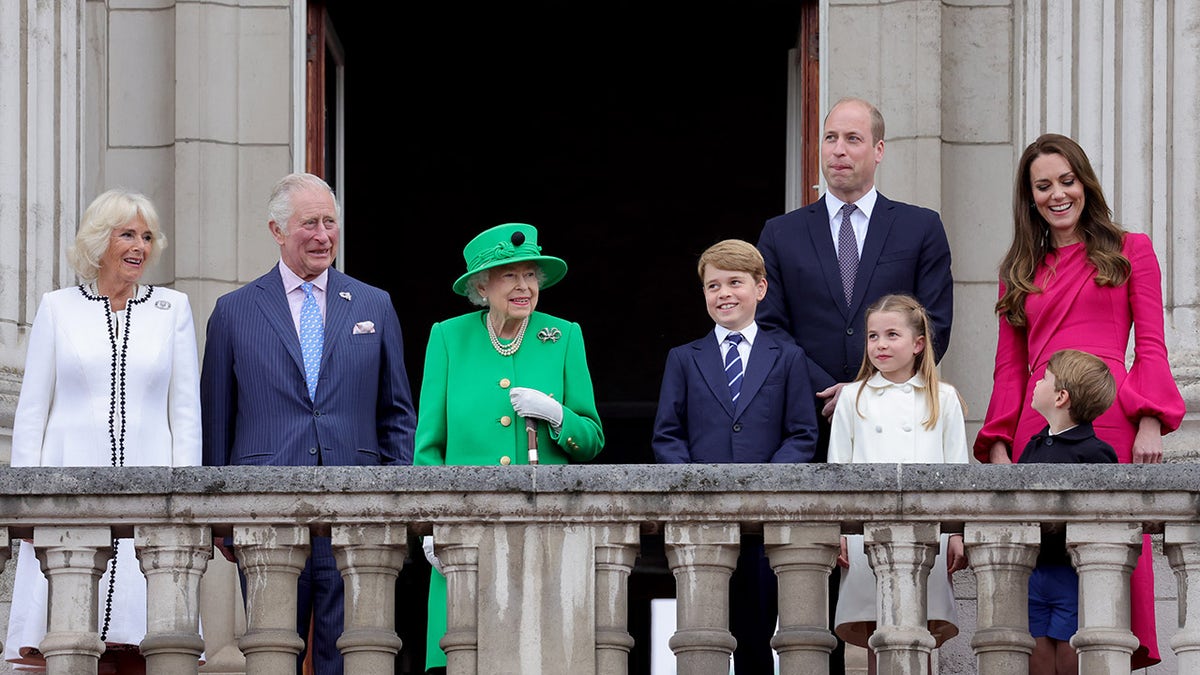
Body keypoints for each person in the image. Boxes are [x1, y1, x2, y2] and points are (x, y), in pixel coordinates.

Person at [756, 96, 954, 673]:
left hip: (895, 435)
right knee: (807, 596)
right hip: (807, 429)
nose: (838, 151)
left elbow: (934, 321)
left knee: (893, 606)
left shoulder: (919, 227)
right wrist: (835, 391)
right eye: (830, 139)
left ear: (879, 150)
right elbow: (770, 326)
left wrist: (867, 390)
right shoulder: (782, 232)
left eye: (852, 139)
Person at [974, 133, 1185, 668]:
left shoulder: (1130, 249)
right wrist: (999, 440)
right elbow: (1008, 367)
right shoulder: (1017, 269)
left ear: (1084, 182)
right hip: (1036, 428)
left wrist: (1150, 421)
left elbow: (1152, 346)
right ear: (1030, 196)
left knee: (1103, 575)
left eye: (1066, 181)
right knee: (1039, 584)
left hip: (1109, 420)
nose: (1057, 195)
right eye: (1043, 186)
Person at [200, 172, 416, 675]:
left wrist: (394, 502)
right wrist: (222, 520)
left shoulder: (373, 305)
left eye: (330, 222)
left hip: (356, 517)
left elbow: (397, 415)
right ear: (277, 231)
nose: (323, 235)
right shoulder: (233, 313)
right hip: (266, 517)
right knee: (272, 655)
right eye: (309, 224)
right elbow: (218, 423)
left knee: (351, 656)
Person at [5, 189, 201, 674]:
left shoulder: (172, 309)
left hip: (151, 500)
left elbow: (186, 416)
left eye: (147, 237)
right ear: (100, 242)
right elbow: (32, 412)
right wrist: (25, 507)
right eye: (127, 235)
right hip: (66, 495)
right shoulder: (57, 308)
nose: (139, 246)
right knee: (64, 644)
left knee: (144, 643)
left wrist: (191, 505)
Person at [414, 222, 604, 673]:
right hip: (465, 536)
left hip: (544, 535)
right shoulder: (447, 338)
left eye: (531, 275)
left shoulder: (563, 336)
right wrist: (428, 524)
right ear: (481, 286)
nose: (524, 286)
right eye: (509, 276)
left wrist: (557, 415)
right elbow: (429, 449)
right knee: (464, 654)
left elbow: (592, 439)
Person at [652, 239, 818, 672]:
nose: (723, 293)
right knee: (703, 632)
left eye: (735, 283)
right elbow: (667, 435)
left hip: (766, 526)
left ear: (760, 289)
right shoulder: (684, 358)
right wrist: (694, 488)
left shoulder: (788, 357)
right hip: (704, 521)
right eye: (713, 285)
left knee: (759, 632)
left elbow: (802, 434)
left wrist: (764, 485)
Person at [828, 294, 968, 674]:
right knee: (877, 627)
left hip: (927, 531)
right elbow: (837, 469)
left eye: (892, 335)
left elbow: (957, 469)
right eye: (873, 336)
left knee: (919, 626)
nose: (881, 345)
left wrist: (955, 533)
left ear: (918, 343)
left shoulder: (944, 397)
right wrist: (839, 530)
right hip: (866, 533)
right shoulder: (853, 397)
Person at [1019, 349, 1119, 675]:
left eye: (1044, 378)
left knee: (1070, 657)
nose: (1036, 382)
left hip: (1072, 574)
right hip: (1033, 572)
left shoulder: (1096, 453)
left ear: (1061, 397)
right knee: (1036, 657)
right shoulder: (1033, 446)